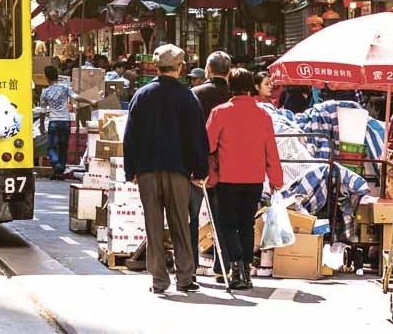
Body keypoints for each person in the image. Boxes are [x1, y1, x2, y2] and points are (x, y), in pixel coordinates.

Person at [120, 44, 209, 295]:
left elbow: (130, 136)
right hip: (178, 170)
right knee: (180, 223)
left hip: (147, 170)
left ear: (155, 67)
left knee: (153, 225)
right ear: (180, 68)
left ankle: (159, 280)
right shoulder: (187, 97)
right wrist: (200, 170)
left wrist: (130, 170)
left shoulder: (142, 95)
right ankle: (185, 277)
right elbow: (197, 137)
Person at [203, 69, 284, 290]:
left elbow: (208, 145)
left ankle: (237, 267)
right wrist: (276, 179)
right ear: (250, 87)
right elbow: (271, 150)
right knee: (247, 225)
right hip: (254, 179)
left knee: (228, 224)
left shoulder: (220, 112)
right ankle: (246, 269)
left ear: (231, 87)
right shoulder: (263, 115)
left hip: (228, 179)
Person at [37, 66, 76, 180]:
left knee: (51, 147)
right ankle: (59, 171)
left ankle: (57, 164)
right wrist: (90, 101)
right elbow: (76, 97)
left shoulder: (45, 92)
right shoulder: (65, 87)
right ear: (57, 76)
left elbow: (43, 111)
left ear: (47, 78)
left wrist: (41, 125)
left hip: (53, 121)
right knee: (63, 147)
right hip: (66, 122)